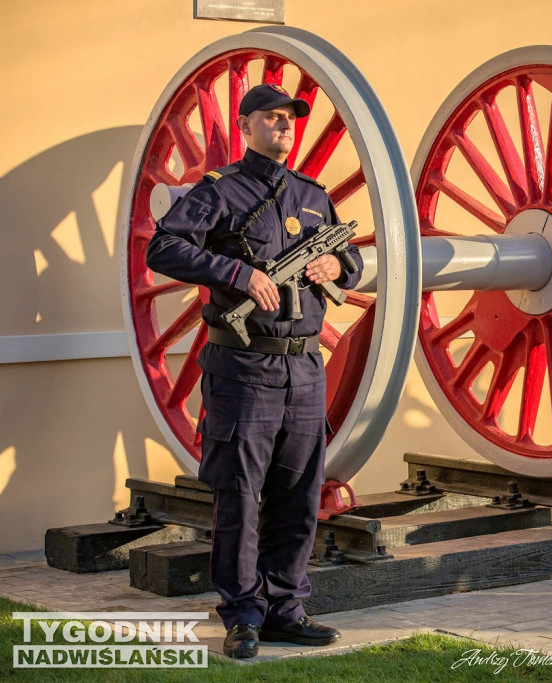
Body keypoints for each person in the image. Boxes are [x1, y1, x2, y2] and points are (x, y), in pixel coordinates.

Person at [146, 84, 362, 659]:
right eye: (271, 118)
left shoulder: (313, 197)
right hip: (243, 366)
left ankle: (286, 609)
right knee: (240, 494)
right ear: (245, 127)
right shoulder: (219, 192)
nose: (284, 126)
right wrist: (238, 276)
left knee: (298, 491)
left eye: (290, 119)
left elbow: (356, 264)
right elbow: (163, 248)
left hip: (304, 368)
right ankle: (242, 614)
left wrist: (333, 263)